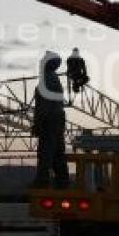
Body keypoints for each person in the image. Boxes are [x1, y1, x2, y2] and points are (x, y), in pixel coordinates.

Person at [32, 51, 70, 188]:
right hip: (57, 119)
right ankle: (63, 181)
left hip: (49, 119)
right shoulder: (53, 78)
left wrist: (38, 124)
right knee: (58, 152)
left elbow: (43, 105)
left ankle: (42, 180)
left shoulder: (47, 79)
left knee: (46, 151)